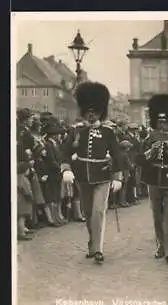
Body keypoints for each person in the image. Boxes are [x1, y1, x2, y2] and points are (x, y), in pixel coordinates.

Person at [60, 82, 124, 264]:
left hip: (103, 177)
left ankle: (98, 249)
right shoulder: (76, 131)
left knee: (98, 212)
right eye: (88, 111)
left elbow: (117, 155)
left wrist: (118, 177)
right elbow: (64, 152)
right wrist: (66, 169)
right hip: (82, 177)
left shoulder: (108, 132)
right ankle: (93, 242)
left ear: (100, 112)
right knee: (88, 213)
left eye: (94, 111)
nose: (91, 114)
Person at [135, 94, 168, 265]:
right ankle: (161, 246)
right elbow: (139, 160)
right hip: (154, 182)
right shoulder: (148, 140)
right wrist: (151, 151)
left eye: (165, 123)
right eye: (159, 123)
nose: (162, 126)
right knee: (158, 218)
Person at [17, 162, 35, 241]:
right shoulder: (24, 179)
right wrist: (31, 197)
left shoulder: (17, 177)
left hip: (18, 199)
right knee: (22, 217)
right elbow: (27, 191)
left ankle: (21, 230)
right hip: (23, 200)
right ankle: (21, 233)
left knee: (19, 217)